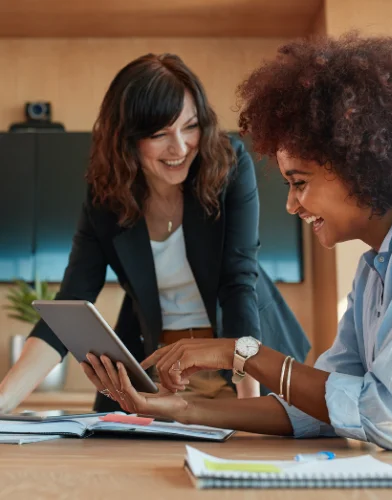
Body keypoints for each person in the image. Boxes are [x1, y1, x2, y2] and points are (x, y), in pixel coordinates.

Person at [79, 33, 392, 454]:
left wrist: (242, 353)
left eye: (299, 183)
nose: (291, 204)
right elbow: (319, 409)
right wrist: (181, 409)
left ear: (358, 166)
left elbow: (390, 416)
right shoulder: (375, 269)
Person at [0, 53, 310, 413]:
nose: (179, 148)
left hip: (243, 362)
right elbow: (70, 304)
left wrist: (251, 407)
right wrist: (3, 401)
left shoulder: (228, 164)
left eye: (190, 126)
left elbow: (238, 282)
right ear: (127, 139)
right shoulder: (107, 195)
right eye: (160, 134)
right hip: (160, 371)